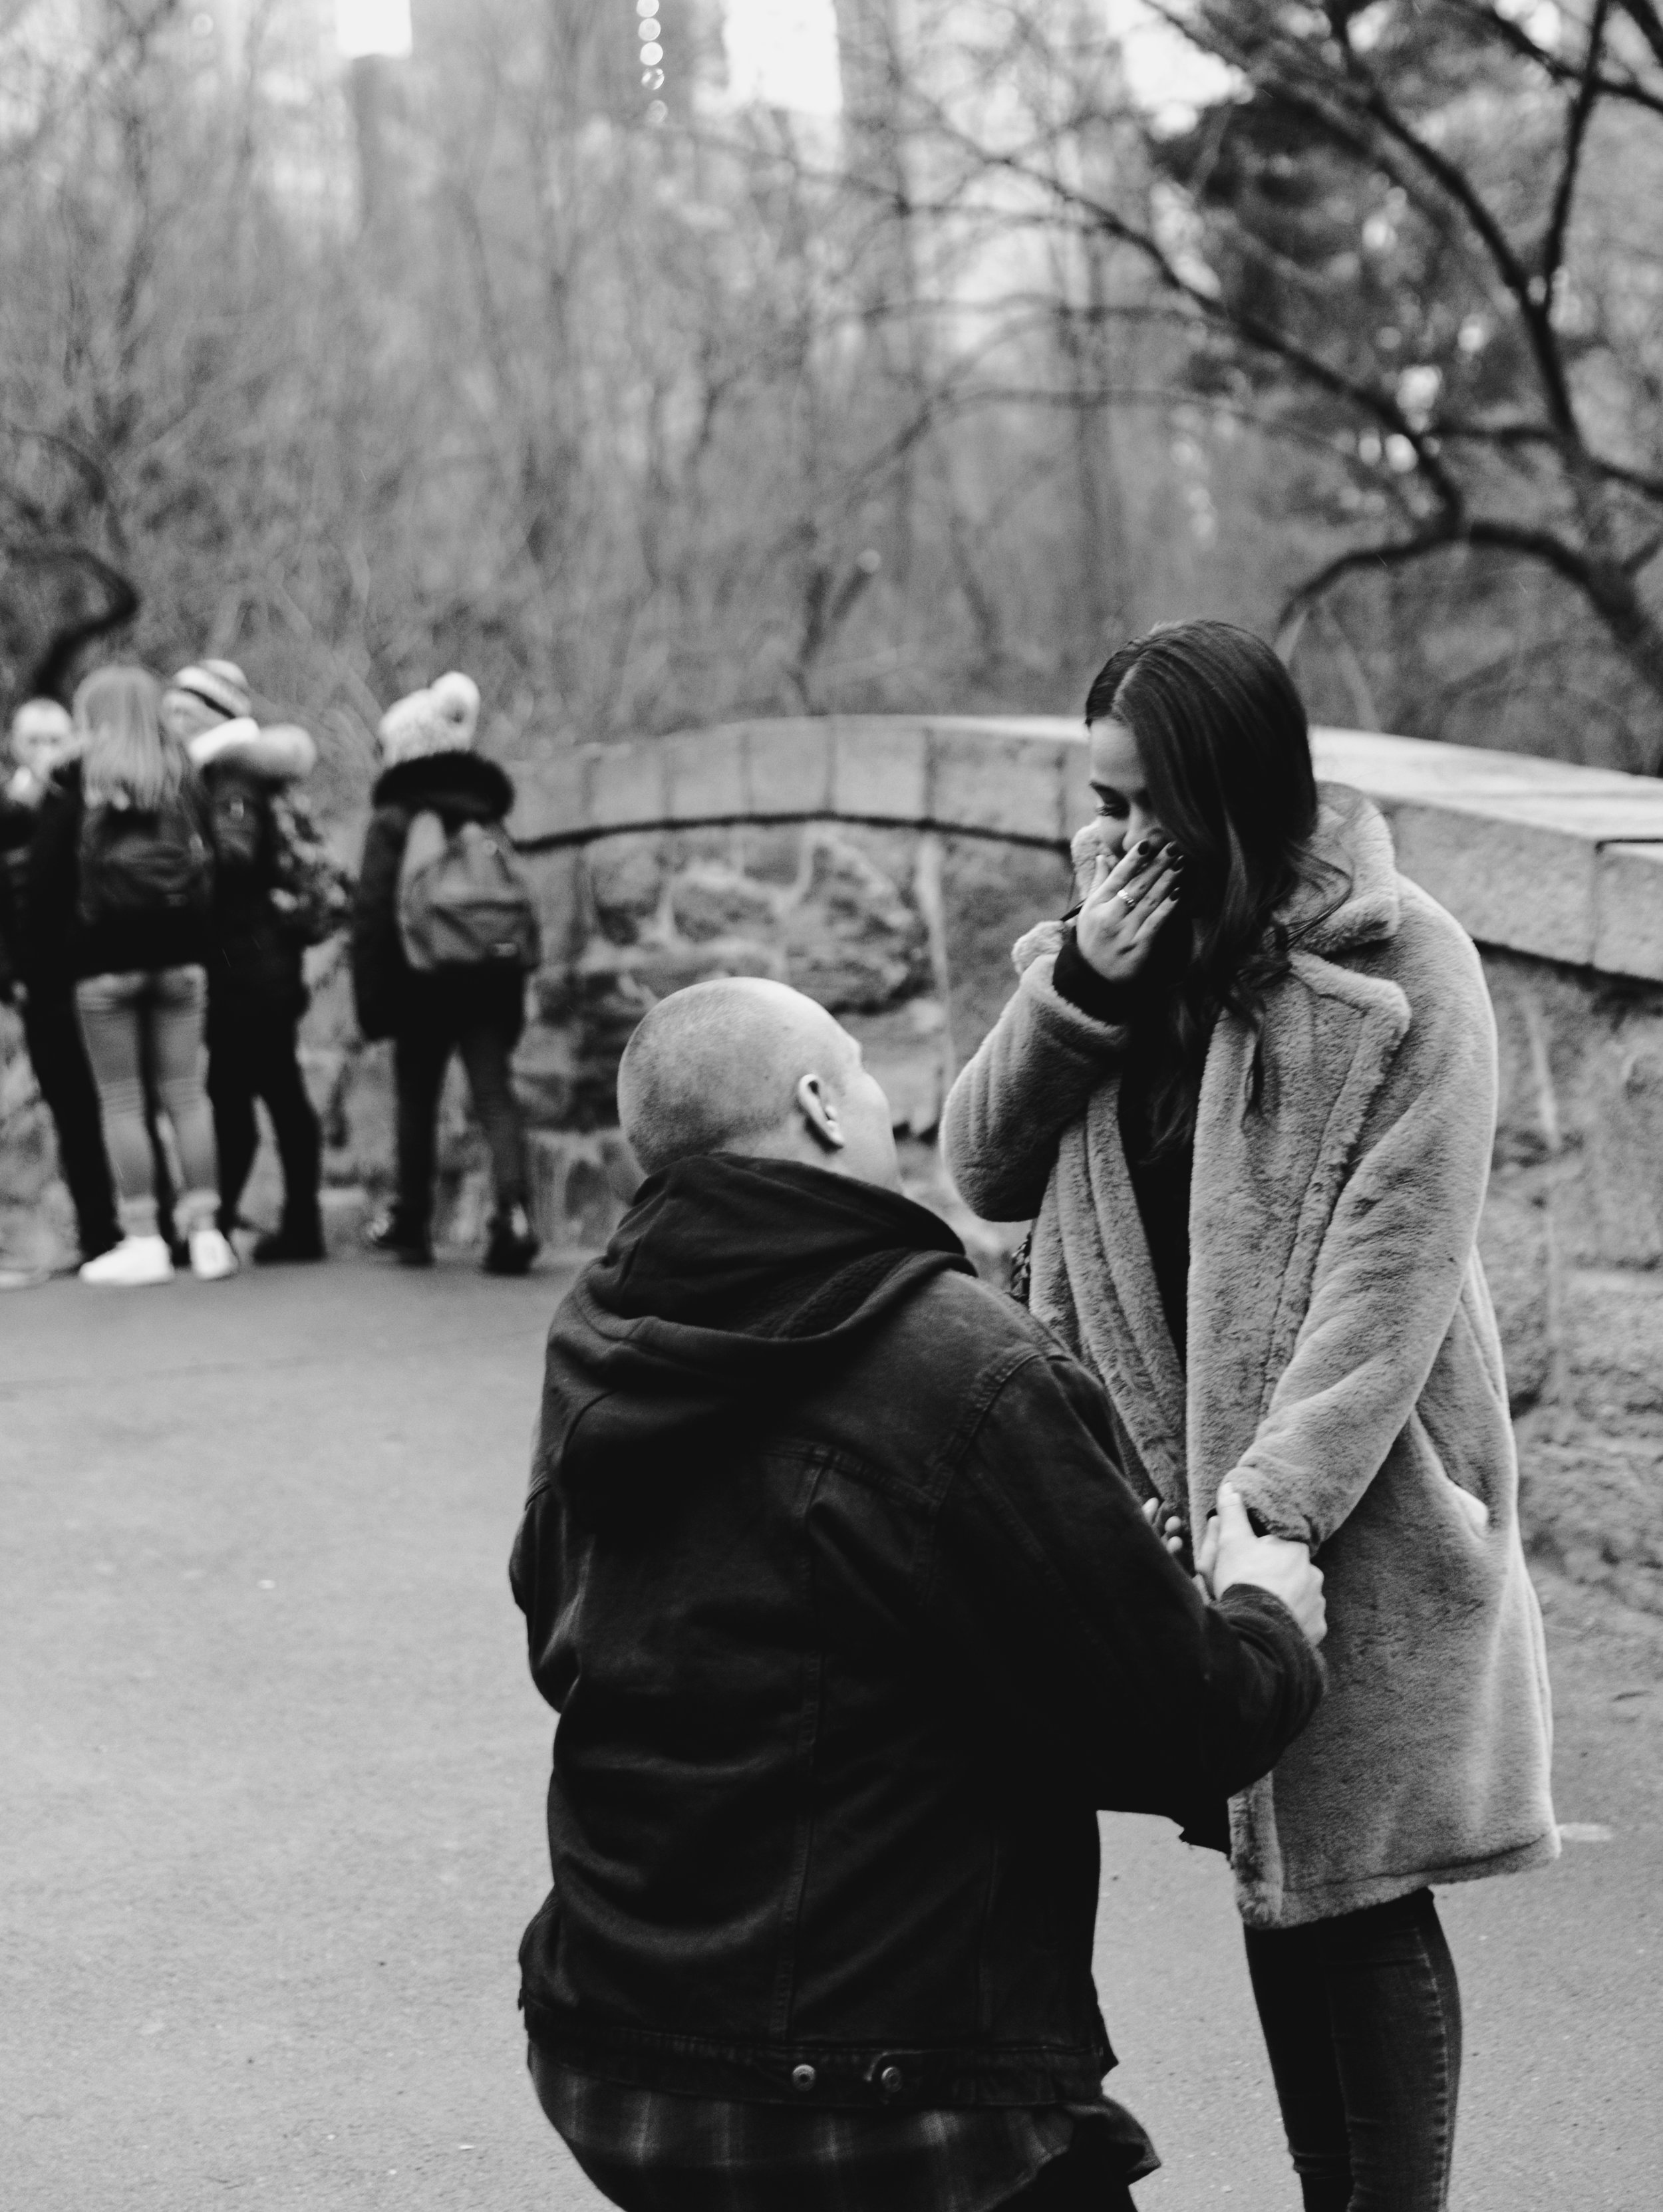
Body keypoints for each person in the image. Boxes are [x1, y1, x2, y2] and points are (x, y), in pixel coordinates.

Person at [512, 975, 1328, 2212]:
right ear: (819, 1105)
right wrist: (1261, 1613)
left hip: (608, 2051)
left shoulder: (604, 1332)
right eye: (864, 1067)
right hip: (881, 2084)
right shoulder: (960, 1363)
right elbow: (1186, 1726)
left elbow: (569, 1635)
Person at [943, 621, 1558, 2212]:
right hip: (1166, 1503)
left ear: (1236, 796)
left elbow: (1396, 1260)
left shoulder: (1404, 958)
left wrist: (1269, 1505)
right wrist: (1080, 983)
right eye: (1100, 801)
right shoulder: (1107, 950)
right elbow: (985, 1171)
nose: (1123, 839)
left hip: (1348, 1502)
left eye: (1153, 807)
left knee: (1353, 1880)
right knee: (1275, 1875)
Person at [22, 665, 235, 1286]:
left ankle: (142, 1238)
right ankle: (208, 1235)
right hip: (182, 962)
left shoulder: (76, 781)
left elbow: (45, 885)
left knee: (122, 1101)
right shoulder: (184, 777)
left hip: (103, 967)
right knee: (187, 1095)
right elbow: (212, 869)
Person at [350, 672, 539, 1274]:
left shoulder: (397, 815)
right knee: (493, 1094)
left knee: (417, 1097)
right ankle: (515, 1216)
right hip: (488, 977)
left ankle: (413, 1226)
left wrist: (373, 998)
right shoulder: (487, 812)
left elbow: (374, 910)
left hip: (420, 978)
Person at [162, 660, 326, 1264]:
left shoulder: (229, 778)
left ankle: (227, 1223)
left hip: (249, 965)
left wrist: (180, 870)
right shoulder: (223, 774)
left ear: (212, 716)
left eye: (185, 711)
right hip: (259, 960)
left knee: (240, 1095)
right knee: (269, 1091)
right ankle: (275, 1224)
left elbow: (235, 859)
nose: (173, 722)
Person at [1, 698, 122, 1268]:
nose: (46, 751)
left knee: (120, 1103)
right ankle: (100, 1230)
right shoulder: (13, 810)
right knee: (73, 1111)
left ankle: (144, 1227)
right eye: (34, 740)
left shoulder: (89, 798)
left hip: (88, 976)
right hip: (38, 986)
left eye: (56, 738)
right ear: (13, 745)